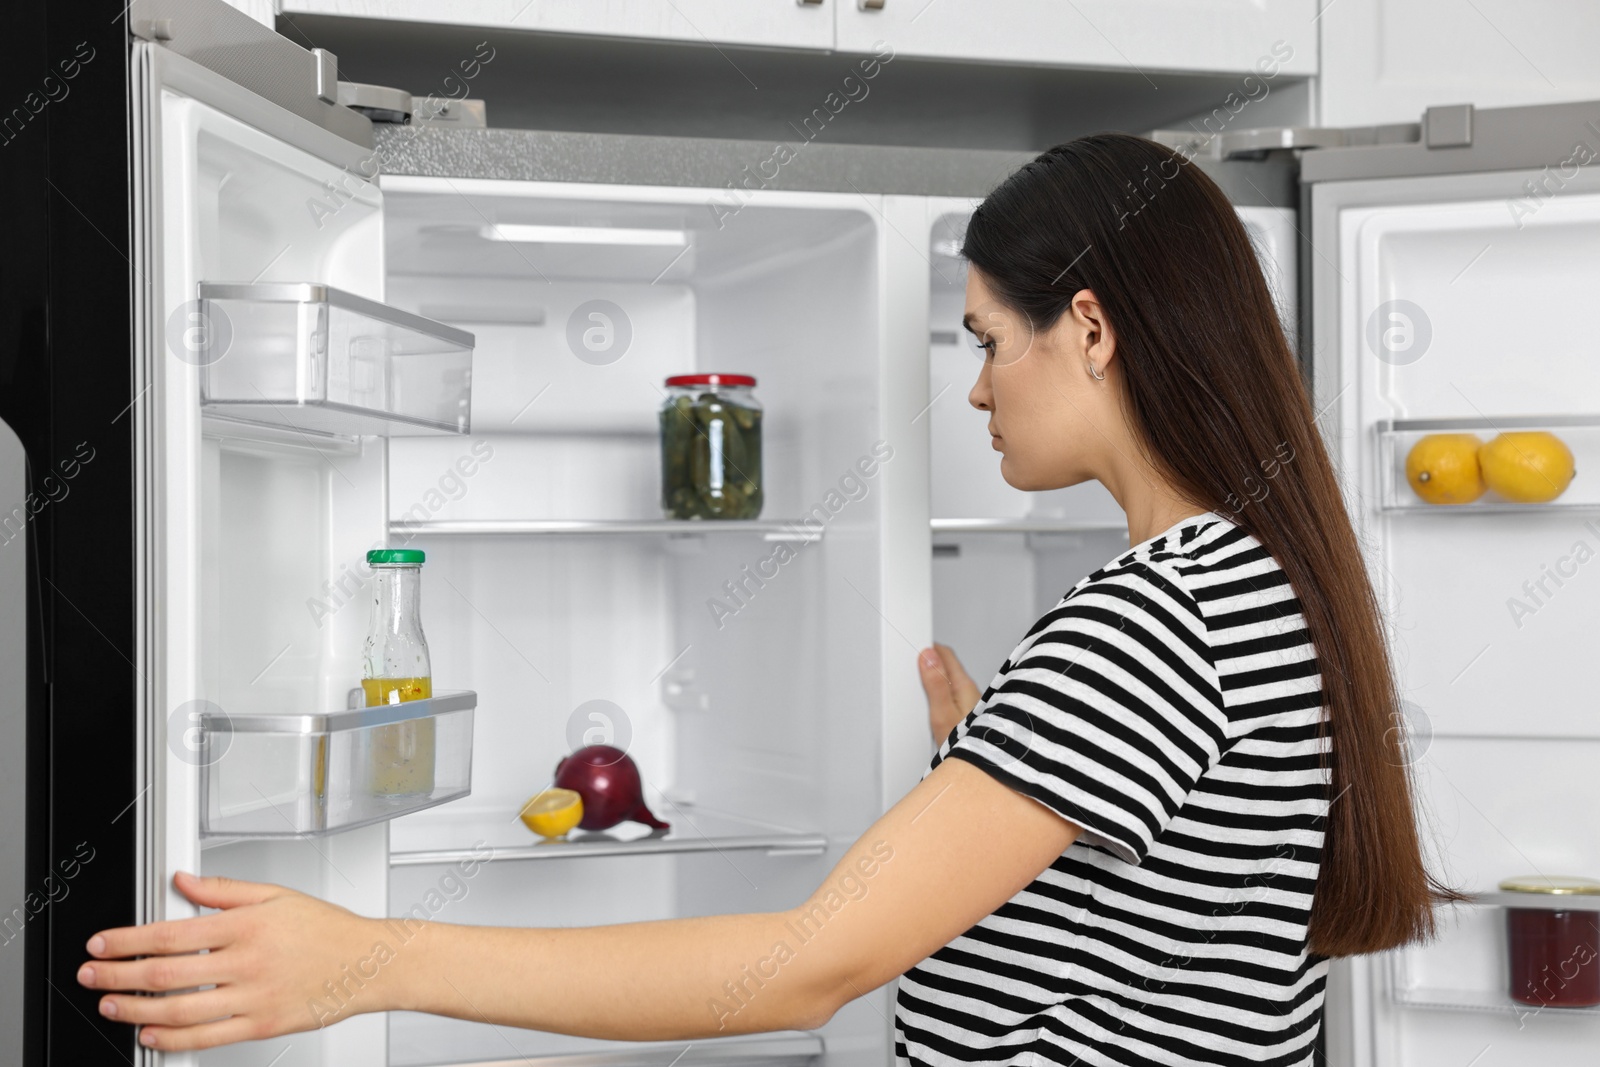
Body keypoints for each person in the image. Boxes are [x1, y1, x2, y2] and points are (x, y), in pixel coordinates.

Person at [78, 133, 1459, 1062]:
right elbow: (1175, 921)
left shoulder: (1151, 622)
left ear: (1087, 328)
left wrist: (370, 963)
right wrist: (1007, 772)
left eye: (986, 341)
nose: (974, 387)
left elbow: (802, 968)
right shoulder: (1251, 580)